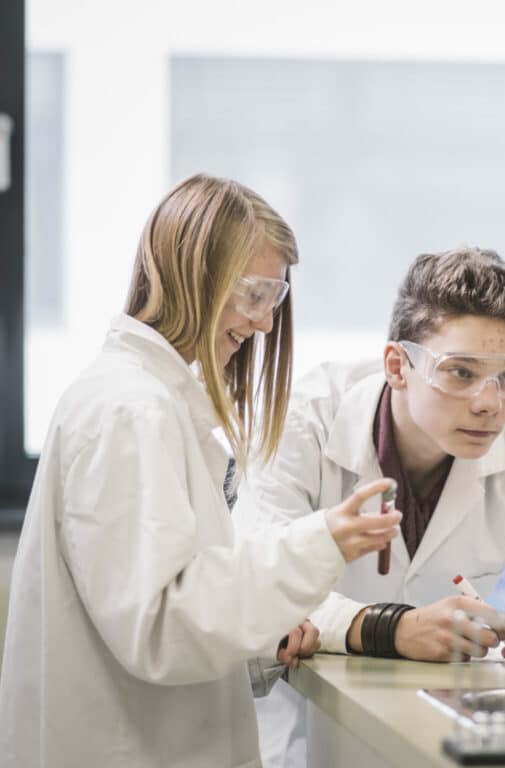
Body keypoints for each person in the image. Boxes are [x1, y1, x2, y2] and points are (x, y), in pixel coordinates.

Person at [0, 174, 401, 768]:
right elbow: (160, 629)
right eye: (254, 294)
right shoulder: (128, 410)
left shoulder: (150, 403)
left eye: (275, 300)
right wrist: (318, 544)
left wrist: (261, 643)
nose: (265, 324)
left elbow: (158, 606)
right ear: (194, 275)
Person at [234, 246, 505, 768]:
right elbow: (255, 586)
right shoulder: (301, 423)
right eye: (460, 373)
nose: (489, 403)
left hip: (438, 733)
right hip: (305, 736)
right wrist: (388, 627)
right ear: (398, 365)